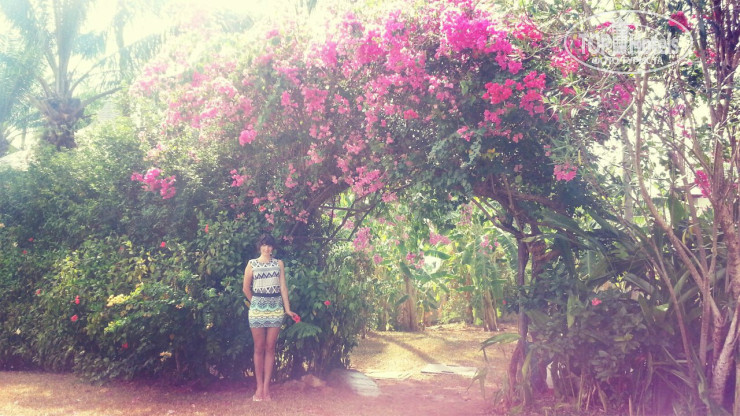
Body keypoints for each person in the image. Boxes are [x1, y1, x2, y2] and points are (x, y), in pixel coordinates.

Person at [243, 234, 297, 402]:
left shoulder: (278, 264)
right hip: (257, 310)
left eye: (269, 245)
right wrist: (256, 303)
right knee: (259, 348)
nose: (267, 248)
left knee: (270, 347)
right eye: (264, 245)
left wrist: (287, 309)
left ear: (273, 247)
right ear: (259, 246)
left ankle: (267, 388)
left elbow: (283, 287)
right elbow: (245, 288)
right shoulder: (252, 264)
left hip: (276, 309)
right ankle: (259, 387)